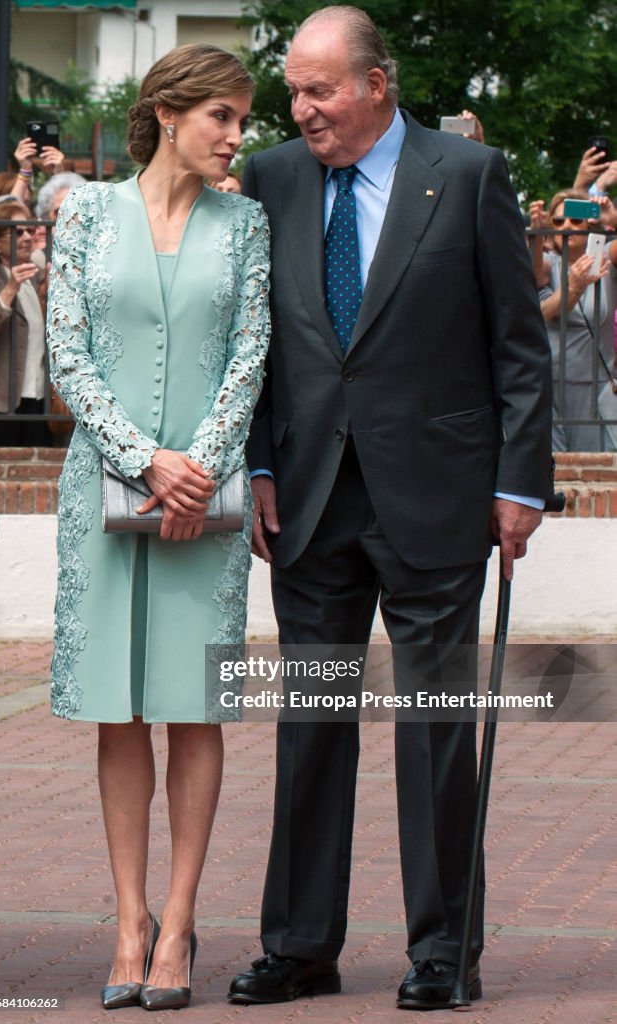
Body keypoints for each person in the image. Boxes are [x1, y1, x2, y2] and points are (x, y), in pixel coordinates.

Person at [228, 6, 553, 1012]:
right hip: (311, 503)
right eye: (295, 91)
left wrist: (517, 482)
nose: (303, 110)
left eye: (321, 90)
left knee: (436, 726)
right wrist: (258, 464)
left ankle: (444, 951)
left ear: (377, 84)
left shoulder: (464, 176)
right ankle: (299, 945)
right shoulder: (273, 178)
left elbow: (517, 345)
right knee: (312, 724)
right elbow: (258, 344)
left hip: (437, 496)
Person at [45, 43, 270, 1011]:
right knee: (121, 707)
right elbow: (67, 350)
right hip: (105, 493)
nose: (236, 135)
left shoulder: (247, 222)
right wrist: (143, 457)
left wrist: (199, 467)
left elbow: (251, 353)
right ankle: (128, 918)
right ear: (169, 114)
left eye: (241, 118)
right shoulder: (85, 212)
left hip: (203, 505)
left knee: (193, 704)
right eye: (222, 115)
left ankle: (179, 922)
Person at [534, 188, 617, 451]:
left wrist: (613, 219)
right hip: (552, 388)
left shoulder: (605, 258)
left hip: (597, 389)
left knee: (600, 473)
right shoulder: (548, 263)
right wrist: (575, 286)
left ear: (589, 223)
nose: (566, 226)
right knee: (557, 474)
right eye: (558, 221)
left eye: (575, 219)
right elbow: (543, 310)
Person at [0, 201, 51, 447]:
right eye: (17, 232)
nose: (27, 237)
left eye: (30, 230)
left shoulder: (37, 275)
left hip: (37, 396)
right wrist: (10, 289)